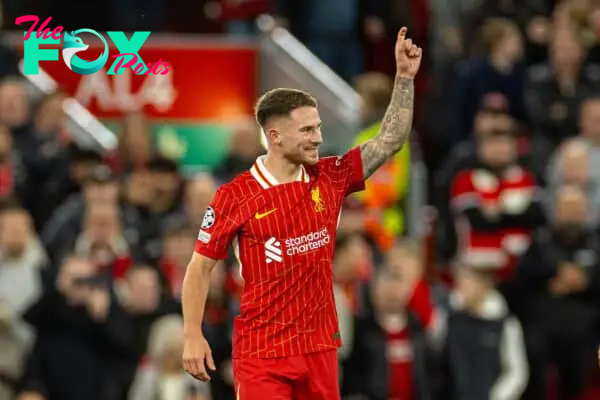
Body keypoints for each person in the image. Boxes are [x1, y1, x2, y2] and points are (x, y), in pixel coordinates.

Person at [181, 27, 422, 400]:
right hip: (262, 353)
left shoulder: (331, 176)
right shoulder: (235, 195)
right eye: (307, 130)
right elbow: (199, 268)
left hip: (320, 348)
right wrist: (192, 334)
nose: (318, 138)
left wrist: (404, 79)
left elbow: (390, 140)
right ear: (275, 136)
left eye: (318, 127)